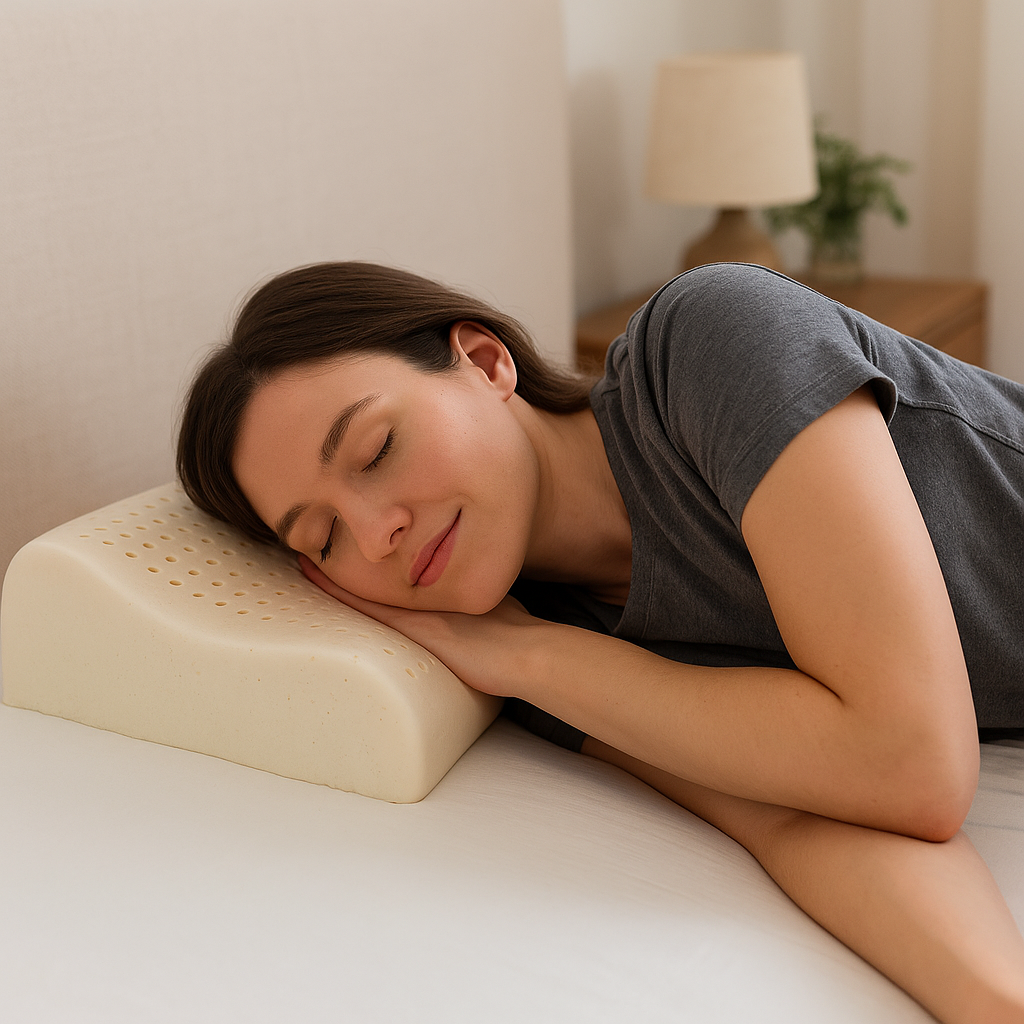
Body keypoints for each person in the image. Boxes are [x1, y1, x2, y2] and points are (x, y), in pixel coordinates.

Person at [177, 260, 1024, 1023]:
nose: (375, 535)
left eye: (377, 449)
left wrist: (532, 657)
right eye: (323, 539)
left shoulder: (712, 339)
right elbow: (797, 819)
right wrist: (993, 1000)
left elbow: (910, 763)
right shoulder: (546, 651)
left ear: (485, 362)